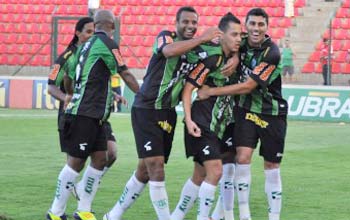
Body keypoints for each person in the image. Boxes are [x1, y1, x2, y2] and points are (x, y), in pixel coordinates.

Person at [102, 6, 232, 220]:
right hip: (146, 109)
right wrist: (201, 39)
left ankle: (112, 215)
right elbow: (168, 51)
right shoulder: (166, 37)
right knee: (156, 167)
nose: (190, 26)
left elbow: (230, 47)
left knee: (144, 170)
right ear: (176, 23)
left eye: (194, 23)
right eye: (186, 22)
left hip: (168, 113)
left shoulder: (202, 48)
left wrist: (233, 57)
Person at [47, 9, 139, 220]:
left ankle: (83, 210)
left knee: (100, 158)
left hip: (94, 114)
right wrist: (143, 97)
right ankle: (55, 212)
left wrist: (72, 93)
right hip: (84, 113)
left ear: (96, 25)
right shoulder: (107, 44)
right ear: (112, 26)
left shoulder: (82, 48)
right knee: (76, 162)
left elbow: (70, 77)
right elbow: (125, 72)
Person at [198, 8, 288, 220]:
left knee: (272, 165)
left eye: (260, 24)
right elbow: (232, 44)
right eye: (252, 24)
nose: (256, 29)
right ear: (246, 26)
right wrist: (237, 56)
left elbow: (248, 86)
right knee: (243, 157)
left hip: (272, 112)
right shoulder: (243, 40)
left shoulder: (272, 52)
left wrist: (211, 91)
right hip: (245, 110)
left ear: (267, 27)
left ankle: (273, 217)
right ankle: (244, 216)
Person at [171, 12, 242, 220]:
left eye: (240, 35)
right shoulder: (213, 57)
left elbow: (250, 39)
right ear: (222, 35)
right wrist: (189, 119)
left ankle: (175, 216)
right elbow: (188, 89)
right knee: (216, 172)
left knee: (199, 175)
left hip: (217, 124)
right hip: (201, 123)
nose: (239, 39)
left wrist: (236, 57)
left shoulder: (235, 53)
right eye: (234, 35)